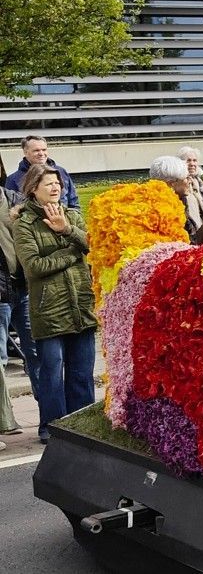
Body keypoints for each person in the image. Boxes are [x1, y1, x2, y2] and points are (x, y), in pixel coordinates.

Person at [13, 164, 96, 443]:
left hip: (81, 305)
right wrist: (72, 254)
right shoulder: (25, 223)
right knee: (51, 373)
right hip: (49, 309)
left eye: (57, 183)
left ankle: (83, 423)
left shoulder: (73, 215)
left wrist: (67, 230)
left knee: (82, 373)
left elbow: (92, 245)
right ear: (33, 189)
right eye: (47, 183)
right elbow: (34, 266)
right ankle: (52, 427)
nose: (55, 187)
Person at [0, 188, 31, 440]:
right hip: (0, 294)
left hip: (24, 287)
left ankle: (51, 423)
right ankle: (4, 422)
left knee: (36, 354)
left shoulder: (15, 199)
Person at [4, 136, 79, 209]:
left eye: (44, 150)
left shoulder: (61, 172)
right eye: (36, 150)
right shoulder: (13, 180)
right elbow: (11, 209)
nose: (41, 153)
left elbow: (73, 202)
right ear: (25, 152)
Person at [174, 147, 203, 232]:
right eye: (188, 160)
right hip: (186, 231)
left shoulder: (199, 182)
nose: (192, 164)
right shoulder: (177, 183)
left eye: (194, 160)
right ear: (180, 163)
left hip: (202, 230)